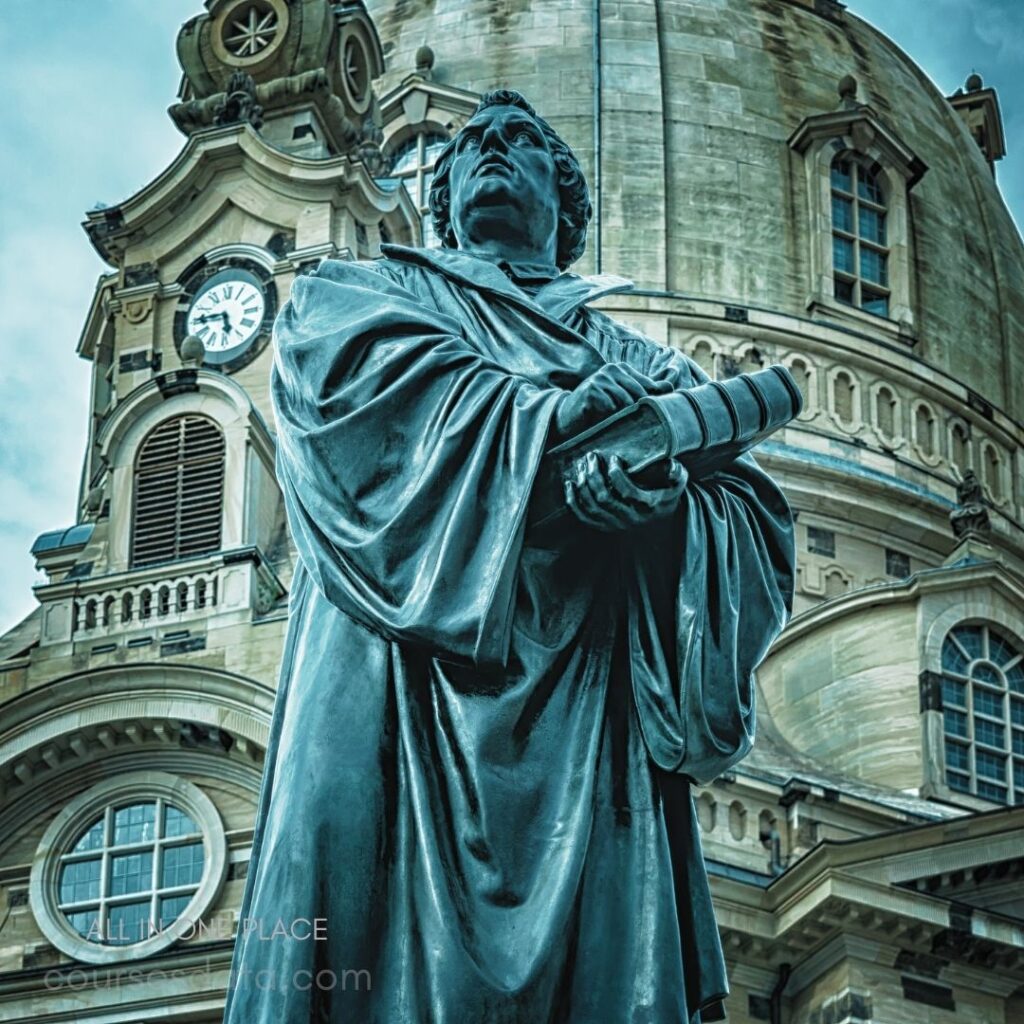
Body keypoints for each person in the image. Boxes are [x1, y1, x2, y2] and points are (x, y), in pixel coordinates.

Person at [222, 89, 796, 1024]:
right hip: (390, 679)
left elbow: (752, 525)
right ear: (442, 194)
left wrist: (657, 511)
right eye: (472, 143)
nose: (492, 149)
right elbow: (344, 395)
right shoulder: (368, 292)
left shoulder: (641, 363)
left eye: (520, 140)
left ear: (564, 202)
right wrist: (548, 417)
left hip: (587, 708)